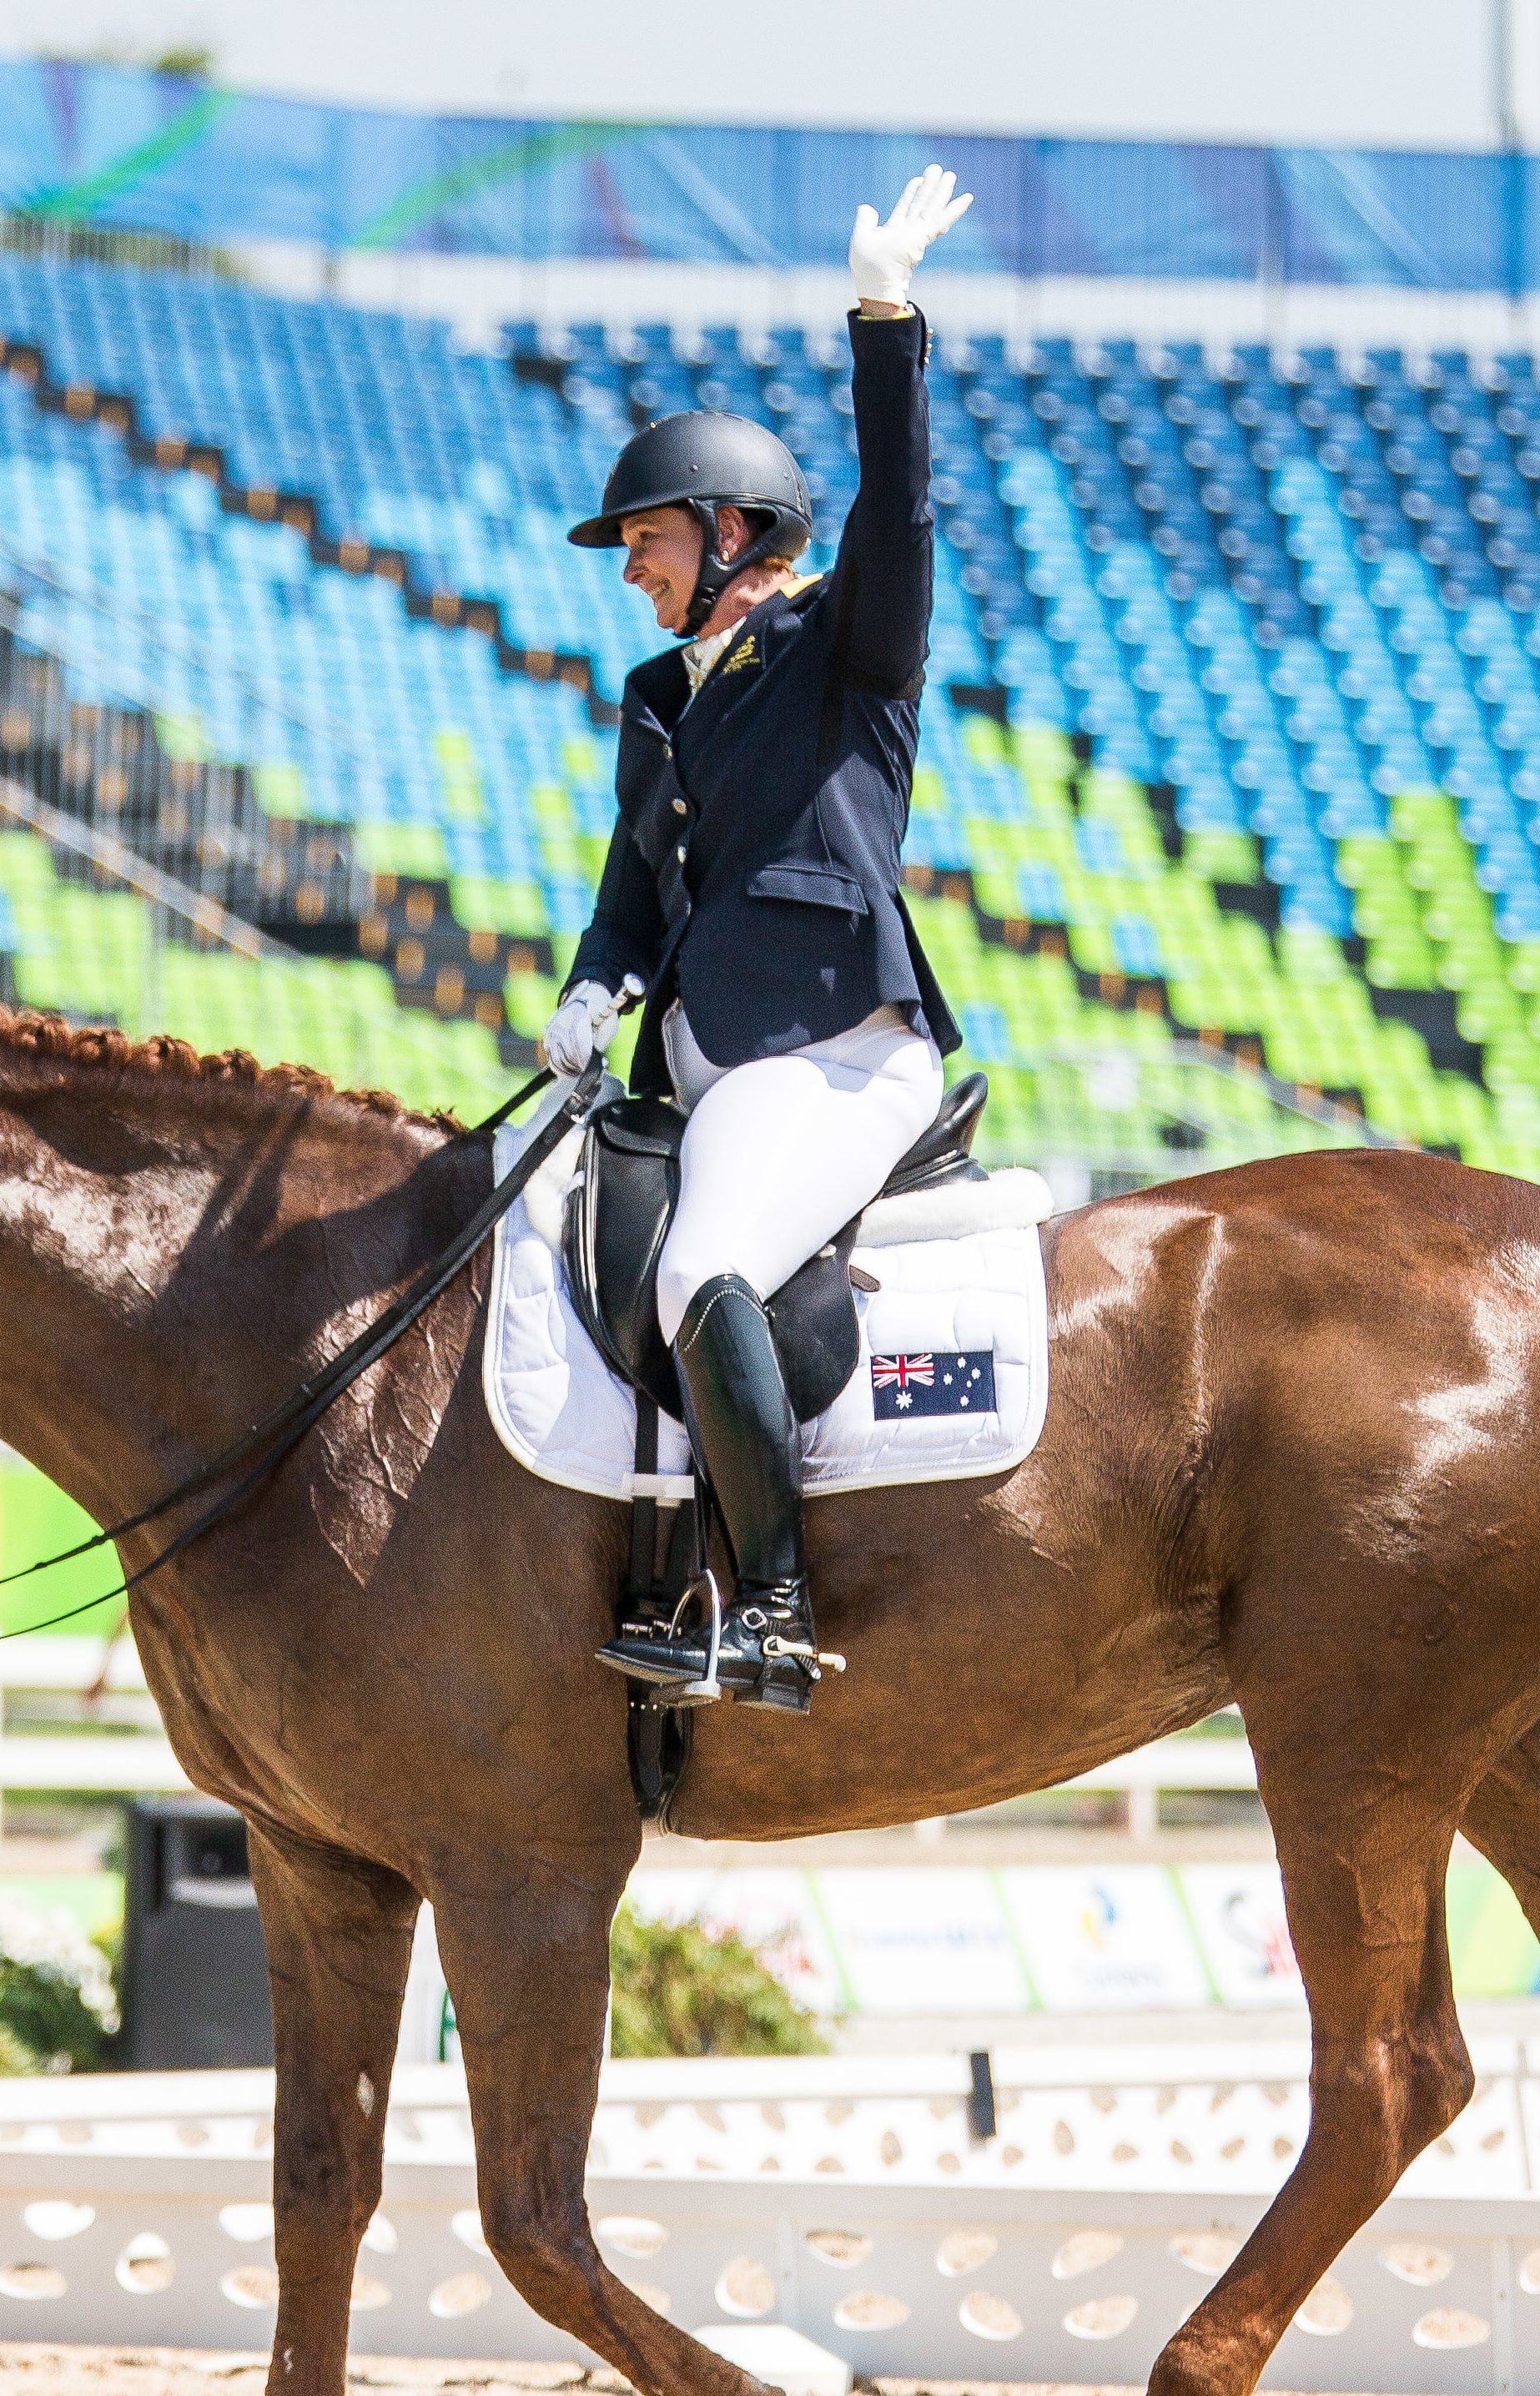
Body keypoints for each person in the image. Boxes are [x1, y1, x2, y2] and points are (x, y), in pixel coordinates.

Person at [539, 165, 972, 1715]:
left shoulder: (841, 644)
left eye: (647, 539)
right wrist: (596, 980)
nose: (633, 568)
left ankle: (774, 1615)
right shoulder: (660, 701)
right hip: (701, 1060)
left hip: (838, 1050)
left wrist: (883, 320)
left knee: (705, 1261)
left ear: (730, 530)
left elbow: (904, 505)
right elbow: (635, 883)